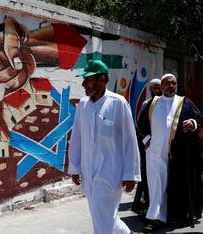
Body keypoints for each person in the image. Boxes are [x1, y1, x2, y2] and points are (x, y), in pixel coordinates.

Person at [68, 59, 141, 234]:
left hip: (110, 172)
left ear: (101, 80)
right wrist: (75, 166)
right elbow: (76, 137)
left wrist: (131, 174)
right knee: (103, 216)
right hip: (88, 172)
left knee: (103, 215)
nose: (84, 83)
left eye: (88, 79)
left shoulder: (118, 103)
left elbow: (130, 141)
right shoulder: (83, 105)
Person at [137, 73, 202, 232]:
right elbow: (140, 122)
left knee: (174, 185)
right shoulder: (153, 102)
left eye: (173, 83)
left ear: (176, 85)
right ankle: (155, 218)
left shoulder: (184, 102)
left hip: (177, 154)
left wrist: (192, 123)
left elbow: (199, 118)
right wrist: (146, 141)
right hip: (154, 153)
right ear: (161, 86)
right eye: (166, 84)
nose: (170, 86)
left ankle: (172, 215)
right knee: (156, 186)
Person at [132, 78, 162, 215]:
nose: (157, 90)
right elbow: (140, 124)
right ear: (151, 89)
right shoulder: (146, 104)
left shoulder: (166, 102)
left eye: (159, 87)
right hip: (149, 144)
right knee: (147, 173)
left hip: (162, 144)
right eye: (154, 88)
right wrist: (146, 141)